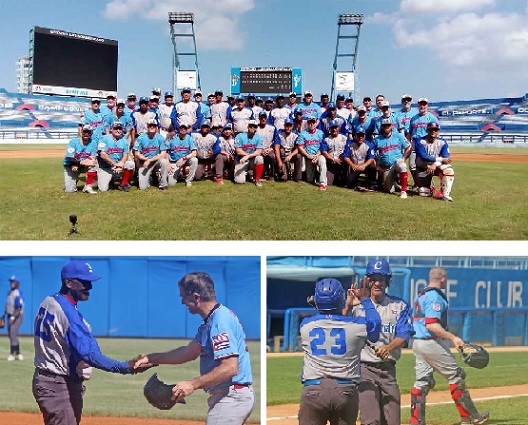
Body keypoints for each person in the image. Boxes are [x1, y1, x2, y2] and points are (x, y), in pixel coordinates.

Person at [32, 260, 149, 425]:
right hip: (58, 385)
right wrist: (125, 367)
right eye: (84, 282)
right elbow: (90, 355)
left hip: (47, 380)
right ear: (68, 282)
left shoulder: (49, 301)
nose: (89, 287)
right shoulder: (69, 314)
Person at [134, 272, 255, 425]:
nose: (182, 302)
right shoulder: (210, 322)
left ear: (196, 297)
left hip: (231, 397)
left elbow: (230, 367)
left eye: (183, 296)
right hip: (230, 396)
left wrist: (192, 384)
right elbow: (187, 353)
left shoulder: (220, 322)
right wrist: (151, 358)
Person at [410, 267, 490, 425]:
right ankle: (471, 417)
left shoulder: (422, 294)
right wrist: (453, 338)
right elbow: (432, 325)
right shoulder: (434, 296)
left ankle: (416, 422)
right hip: (430, 342)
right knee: (456, 376)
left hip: (417, 343)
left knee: (422, 382)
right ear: (443, 279)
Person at [298, 277, 381, 425]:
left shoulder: (306, 326)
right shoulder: (356, 326)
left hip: (313, 389)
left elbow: (331, 322)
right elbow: (374, 328)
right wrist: (365, 300)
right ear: (340, 299)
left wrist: (346, 306)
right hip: (345, 390)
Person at [342, 260, 414, 425]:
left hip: (388, 371)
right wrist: (347, 305)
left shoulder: (399, 305)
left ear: (387, 281)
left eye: (382, 279)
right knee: (371, 420)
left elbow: (404, 336)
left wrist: (388, 347)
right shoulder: (357, 305)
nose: (377, 283)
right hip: (364, 369)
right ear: (367, 280)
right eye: (373, 278)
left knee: (392, 421)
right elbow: (341, 328)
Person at [371, 118, 411, 199]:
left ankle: (403, 191)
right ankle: (396, 185)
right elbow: (372, 154)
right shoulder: (377, 140)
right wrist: (377, 166)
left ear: (391, 126)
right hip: (386, 167)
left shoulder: (399, 136)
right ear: (382, 127)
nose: (386, 127)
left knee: (402, 166)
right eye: (385, 126)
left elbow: (409, 147)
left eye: (388, 125)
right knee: (388, 189)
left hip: (397, 163)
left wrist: (403, 158)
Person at [415, 122, 455, 201]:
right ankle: (430, 186)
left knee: (448, 170)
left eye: (435, 130)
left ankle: (445, 194)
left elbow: (446, 159)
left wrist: (435, 164)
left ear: (438, 131)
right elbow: (424, 157)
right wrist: (440, 159)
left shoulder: (442, 142)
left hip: (436, 166)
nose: (433, 131)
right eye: (431, 129)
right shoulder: (420, 141)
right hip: (423, 168)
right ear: (427, 130)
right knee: (423, 193)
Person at [408, 98, 439, 189]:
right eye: (421, 104)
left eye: (424, 104)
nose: (422, 106)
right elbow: (410, 132)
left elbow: (437, 131)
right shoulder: (414, 118)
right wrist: (406, 143)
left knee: (425, 165)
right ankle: (417, 183)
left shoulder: (432, 117)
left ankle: (428, 184)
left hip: (426, 143)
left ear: (427, 105)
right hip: (415, 143)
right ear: (418, 105)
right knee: (412, 165)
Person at [97, 121, 136, 192]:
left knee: (130, 164)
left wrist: (121, 164)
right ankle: (112, 180)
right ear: (111, 129)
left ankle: (123, 184)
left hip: (118, 165)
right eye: (116, 128)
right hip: (106, 167)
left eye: (120, 129)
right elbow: (102, 154)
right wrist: (115, 164)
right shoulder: (104, 138)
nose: (118, 130)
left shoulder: (124, 140)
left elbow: (125, 155)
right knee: (103, 189)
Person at [133, 119, 170, 190]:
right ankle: (151, 178)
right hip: (144, 162)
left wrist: (150, 160)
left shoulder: (160, 138)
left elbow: (163, 154)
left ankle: (163, 184)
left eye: (154, 126)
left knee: (164, 161)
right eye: (150, 125)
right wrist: (146, 160)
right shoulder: (141, 138)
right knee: (142, 187)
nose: (152, 127)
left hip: (155, 161)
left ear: (156, 127)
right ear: (147, 126)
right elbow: (136, 153)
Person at [63, 125, 98, 194]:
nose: (86, 134)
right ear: (81, 132)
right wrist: (76, 164)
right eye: (85, 132)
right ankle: (74, 178)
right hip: (71, 166)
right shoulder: (73, 142)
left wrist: (89, 161)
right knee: (70, 190)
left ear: (91, 133)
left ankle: (88, 186)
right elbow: (69, 158)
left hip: (83, 165)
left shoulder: (93, 143)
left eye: (89, 132)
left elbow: (93, 157)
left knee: (94, 164)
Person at [294, 116, 327, 190]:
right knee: (310, 180)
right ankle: (315, 176)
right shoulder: (303, 134)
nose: (311, 124)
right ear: (307, 123)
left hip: (318, 155)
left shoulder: (321, 133)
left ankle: (323, 184)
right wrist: (307, 155)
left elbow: (323, 147)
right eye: (310, 122)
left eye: (313, 122)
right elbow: (300, 147)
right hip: (308, 157)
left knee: (322, 161)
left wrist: (317, 156)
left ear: (316, 123)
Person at [342, 126, 377, 191]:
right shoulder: (350, 144)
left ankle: (372, 185)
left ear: (365, 136)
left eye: (362, 135)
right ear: (355, 136)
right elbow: (345, 157)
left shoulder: (369, 145)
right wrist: (352, 165)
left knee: (372, 166)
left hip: (365, 166)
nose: (360, 137)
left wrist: (364, 166)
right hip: (354, 166)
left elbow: (371, 158)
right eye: (358, 135)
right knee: (350, 184)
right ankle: (354, 184)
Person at [165, 123, 198, 187]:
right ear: (179, 129)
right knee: (171, 183)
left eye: (185, 128)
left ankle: (188, 180)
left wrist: (183, 158)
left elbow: (194, 153)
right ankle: (178, 174)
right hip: (174, 162)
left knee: (194, 160)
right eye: (181, 128)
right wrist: (168, 164)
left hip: (185, 160)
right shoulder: (172, 138)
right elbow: (166, 152)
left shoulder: (189, 138)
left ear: (187, 130)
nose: (183, 129)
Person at [234, 120, 264, 186]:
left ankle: (257, 180)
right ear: (248, 127)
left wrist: (248, 156)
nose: (252, 128)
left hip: (252, 160)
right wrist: (246, 155)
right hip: (241, 160)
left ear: (256, 128)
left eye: (255, 126)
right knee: (239, 181)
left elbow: (259, 151)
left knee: (260, 158)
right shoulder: (240, 136)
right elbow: (238, 151)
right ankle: (245, 174)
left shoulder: (258, 137)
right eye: (251, 126)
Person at [320, 120, 348, 187]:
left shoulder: (344, 138)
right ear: (329, 129)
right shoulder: (326, 139)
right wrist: (333, 159)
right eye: (332, 128)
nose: (334, 129)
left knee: (342, 184)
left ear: (338, 128)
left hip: (341, 163)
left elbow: (347, 150)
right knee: (329, 183)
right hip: (331, 164)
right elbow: (324, 152)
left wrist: (342, 158)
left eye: (335, 127)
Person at [5, 275, 24, 361]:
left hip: (16, 316)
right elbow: (8, 305)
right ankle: (18, 353)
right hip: (10, 315)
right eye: (11, 281)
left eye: (13, 281)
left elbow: (19, 308)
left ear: (17, 283)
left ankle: (12, 354)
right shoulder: (10, 292)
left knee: (13, 333)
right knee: (12, 335)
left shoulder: (17, 293)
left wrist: (13, 317)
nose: (11, 283)